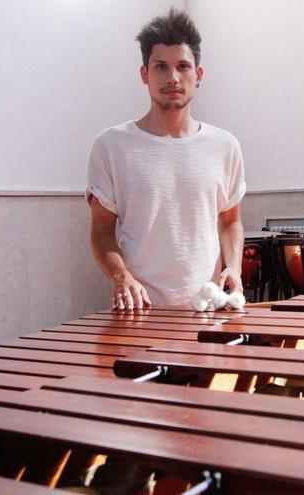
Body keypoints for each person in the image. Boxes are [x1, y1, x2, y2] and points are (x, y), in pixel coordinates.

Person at [87, 8, 246, 311]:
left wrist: (234, 268)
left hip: (207, 312)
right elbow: (101, 233)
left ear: (197, 75)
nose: (172, 77)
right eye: (160, 66)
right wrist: (122, 278)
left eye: (183, 66)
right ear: (144, 74)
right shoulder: (111, 145)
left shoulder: (225, 146)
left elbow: (230, 221)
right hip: (139, 312)